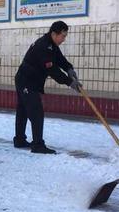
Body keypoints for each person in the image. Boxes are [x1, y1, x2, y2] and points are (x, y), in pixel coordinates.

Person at [14, 20, 81, 154]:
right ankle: (38, 145)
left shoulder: (51, 44)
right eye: (63, 36)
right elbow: (53, 70)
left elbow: (60, 59)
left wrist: (69, 68)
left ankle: (20, 140)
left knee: (23, 110)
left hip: (27, 79)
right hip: (27, 81)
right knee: (36, 112)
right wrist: (70, 82)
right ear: (54, 34)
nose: (64, 39)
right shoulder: (43, 46)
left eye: (65, 36)